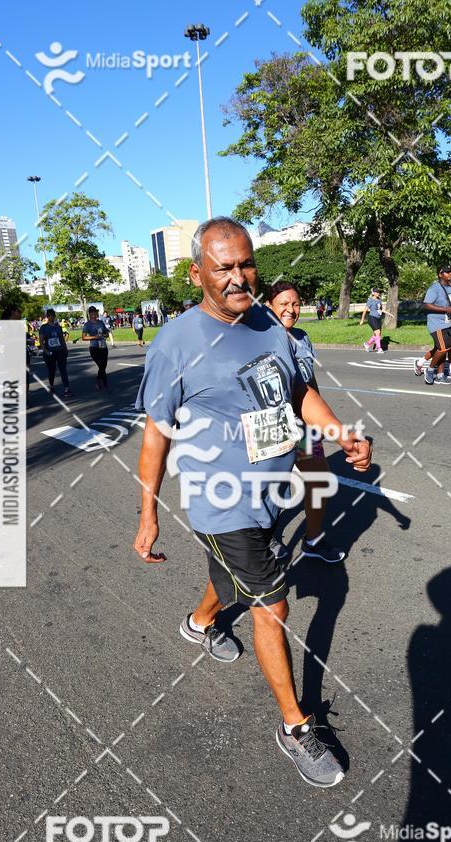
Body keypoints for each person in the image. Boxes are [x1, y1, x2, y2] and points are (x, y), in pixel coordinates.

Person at [134, 217, 372, 788]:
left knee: (230, 582)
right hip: (219, 501)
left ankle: (199, 623)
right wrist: (148, 513)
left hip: (270, 496)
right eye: (224, 267)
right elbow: (155, 435)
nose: (239, 277)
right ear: (197, 275)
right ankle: (294, 727)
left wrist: (339, 434)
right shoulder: (175, 344)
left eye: (246, 263)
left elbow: (297, 391)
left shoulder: (268, 322)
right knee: (272, 604)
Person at [265, 280, 346, 564]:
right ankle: (266, 539)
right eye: (283, 304)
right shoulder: (259, 339)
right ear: (269, 307)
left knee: (318, 479)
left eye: (296, 303)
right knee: (272, 487)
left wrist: (323, 419)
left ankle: (312, 540)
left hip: (303, 425)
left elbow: (310, 382)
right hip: (272, 425)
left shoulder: (302, 337)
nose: (291, 309)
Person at [414, 266, 451, 385]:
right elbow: (427, 305)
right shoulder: (434, 288)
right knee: (443, 348)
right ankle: (430, 370)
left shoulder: (449, 288)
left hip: (448, 323)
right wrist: (446, 309)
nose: (450, 273)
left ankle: (439, 375)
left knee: (443, 349)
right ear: (440, 274)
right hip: (437, 324)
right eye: (447, 272)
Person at [39, 309, 72, 397]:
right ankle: (52, 385)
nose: (51, 317)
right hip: (49, 352)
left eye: (52, 315)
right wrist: (45, 351)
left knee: (63, 370)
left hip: (60, 351)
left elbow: (61, 339)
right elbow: (41, 340)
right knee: (51, 371)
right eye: (49, 316)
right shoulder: (44, 327)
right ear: (47, 317)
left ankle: (66, 389)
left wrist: (65, 348)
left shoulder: (58, 327)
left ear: (54, 316)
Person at [82, 306, 110, 390]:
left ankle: (98, 380)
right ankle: (105, 384)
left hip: (103, 346)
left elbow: (107, 334)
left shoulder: (101, 322)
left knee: (103, 366)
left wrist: (104, 335)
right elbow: (84, 337)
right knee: (101, 365)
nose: (94, 314)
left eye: (95, 312)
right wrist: (94, 337)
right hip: (94, 348)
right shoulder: (87, 324)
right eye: (92, 312)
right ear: (89, 314)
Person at [360, 288, 385, 353]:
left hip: (378, 319)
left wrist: (389, 314)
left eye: (379, 292)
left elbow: (381, 309)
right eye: (376, 292)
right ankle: (379, 349)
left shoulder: (379, 301)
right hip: (372, 318)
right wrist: (362, 320)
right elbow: (365, 310)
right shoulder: (370, 300)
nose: (378, 293)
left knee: (377, 335)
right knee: (378, 332)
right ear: (373, 293)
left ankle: (367, 344)